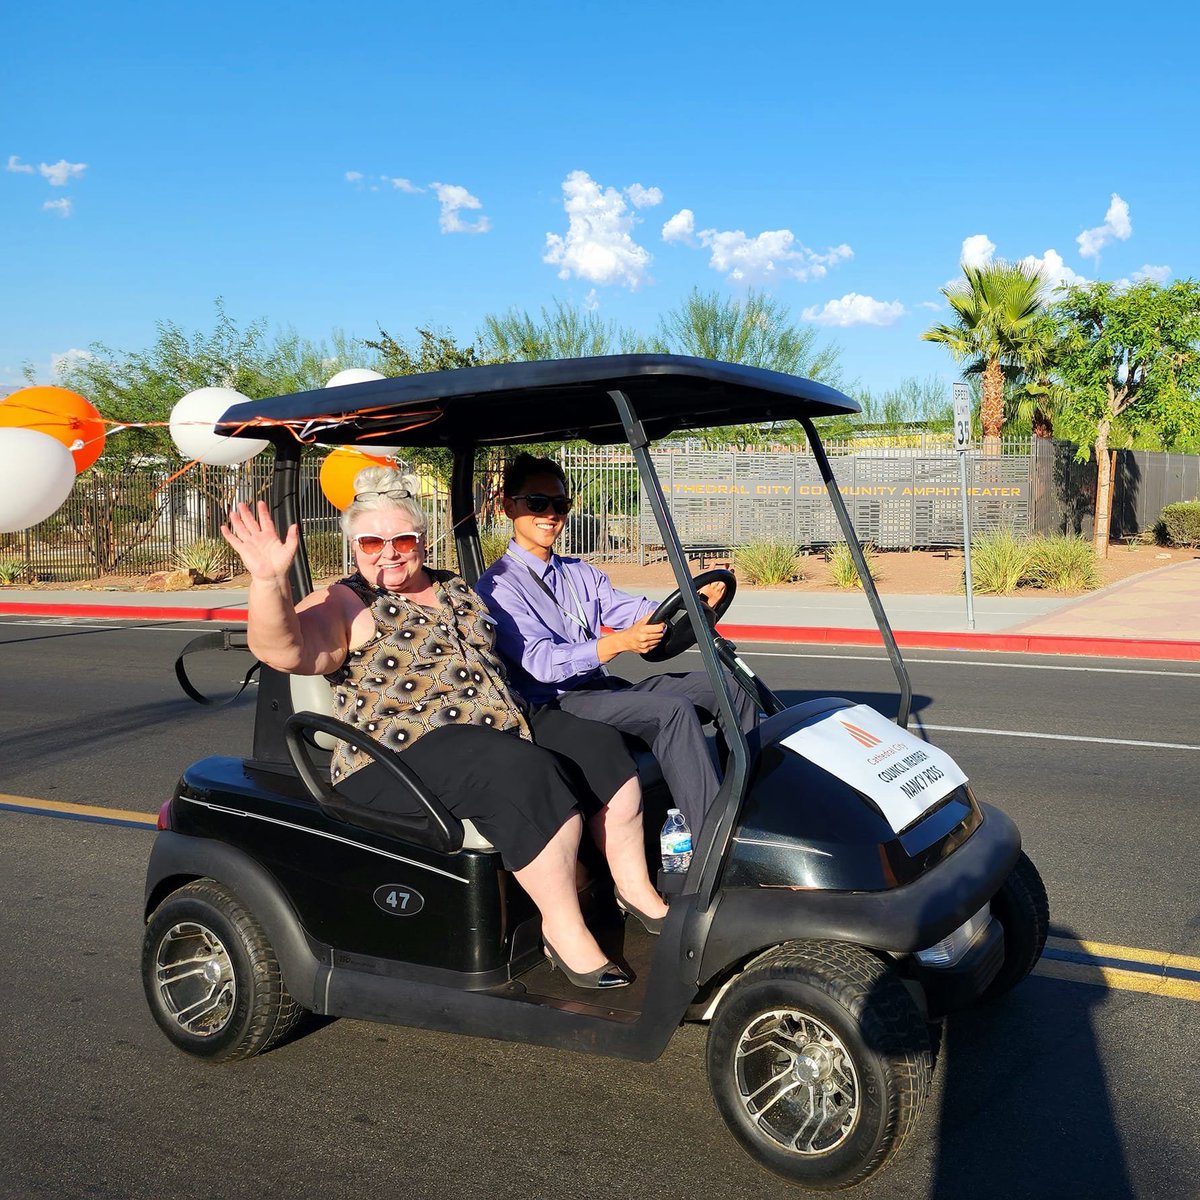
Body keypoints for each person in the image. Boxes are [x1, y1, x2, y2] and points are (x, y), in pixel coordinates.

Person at [220, 466, 668, 991]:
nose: (387, 553)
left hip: (500, 723)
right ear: (354, 547)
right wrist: (268, 580)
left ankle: (634, 888)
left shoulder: (454, 586)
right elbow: (284, 649)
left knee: (598, 745)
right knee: (523, 771)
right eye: (371, 542)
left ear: (422, 542)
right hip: (397, 754)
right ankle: (562, 926)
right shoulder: (346, 602)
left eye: (402, 539)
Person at [476, 454, 759, 837]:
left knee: (729, 686)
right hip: (558, 700)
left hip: (603, 689)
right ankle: (714, 845)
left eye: (560, 504)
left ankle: (748, 813)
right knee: (672, 711)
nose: (550, 514)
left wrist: (696, 601)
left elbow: (637, 611)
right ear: (510, 507)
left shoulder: (579, 572)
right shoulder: (499, 586)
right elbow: (541, 662)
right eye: (537, 503)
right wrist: (615, 644)